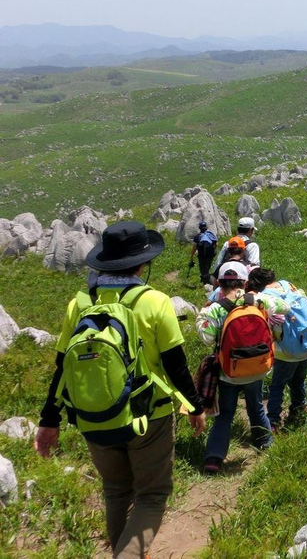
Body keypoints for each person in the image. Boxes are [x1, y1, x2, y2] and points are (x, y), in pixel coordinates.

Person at [35, 221, 205, 559]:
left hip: (94, 417)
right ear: (143, 264)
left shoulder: (79, 303)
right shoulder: (155, 302)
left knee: (115, 492)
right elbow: (176, 367)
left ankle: (125, 550)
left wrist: (49, 419)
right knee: (152, 496)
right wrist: (195, 407)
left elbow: (61, 368)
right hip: (149, 416)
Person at [196, 261, 289, 474]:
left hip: (230, 372)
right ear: (245, 282)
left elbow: (208, 339)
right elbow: (285, 307)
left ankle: (214, 458)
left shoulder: (217, 309)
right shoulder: (259, 300)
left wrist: (201, 316)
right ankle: (266, 443)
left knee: (226, 413)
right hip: (258, 366)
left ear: (219, 284)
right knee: (255, 405)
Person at [247, 268, 307, 432]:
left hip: (288, 350)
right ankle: (299, 407)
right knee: (299, 379)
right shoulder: (288, 285)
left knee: (277, 385)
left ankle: (273, 420)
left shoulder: (265, 297)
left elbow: (274, 322)